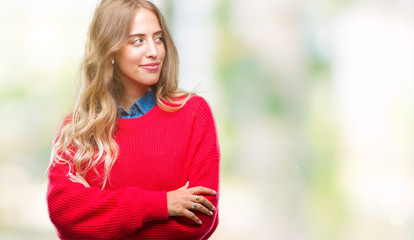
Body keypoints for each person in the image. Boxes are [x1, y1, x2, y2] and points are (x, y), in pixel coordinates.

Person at [46, 0, 220, 239]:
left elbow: (200, 220)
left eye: (158, 38)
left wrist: (102, 218)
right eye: (138, 40)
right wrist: (163, 204)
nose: (154, 51)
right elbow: (65, 215)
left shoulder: (193, 113)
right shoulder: (77, 130)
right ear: (111, 51)